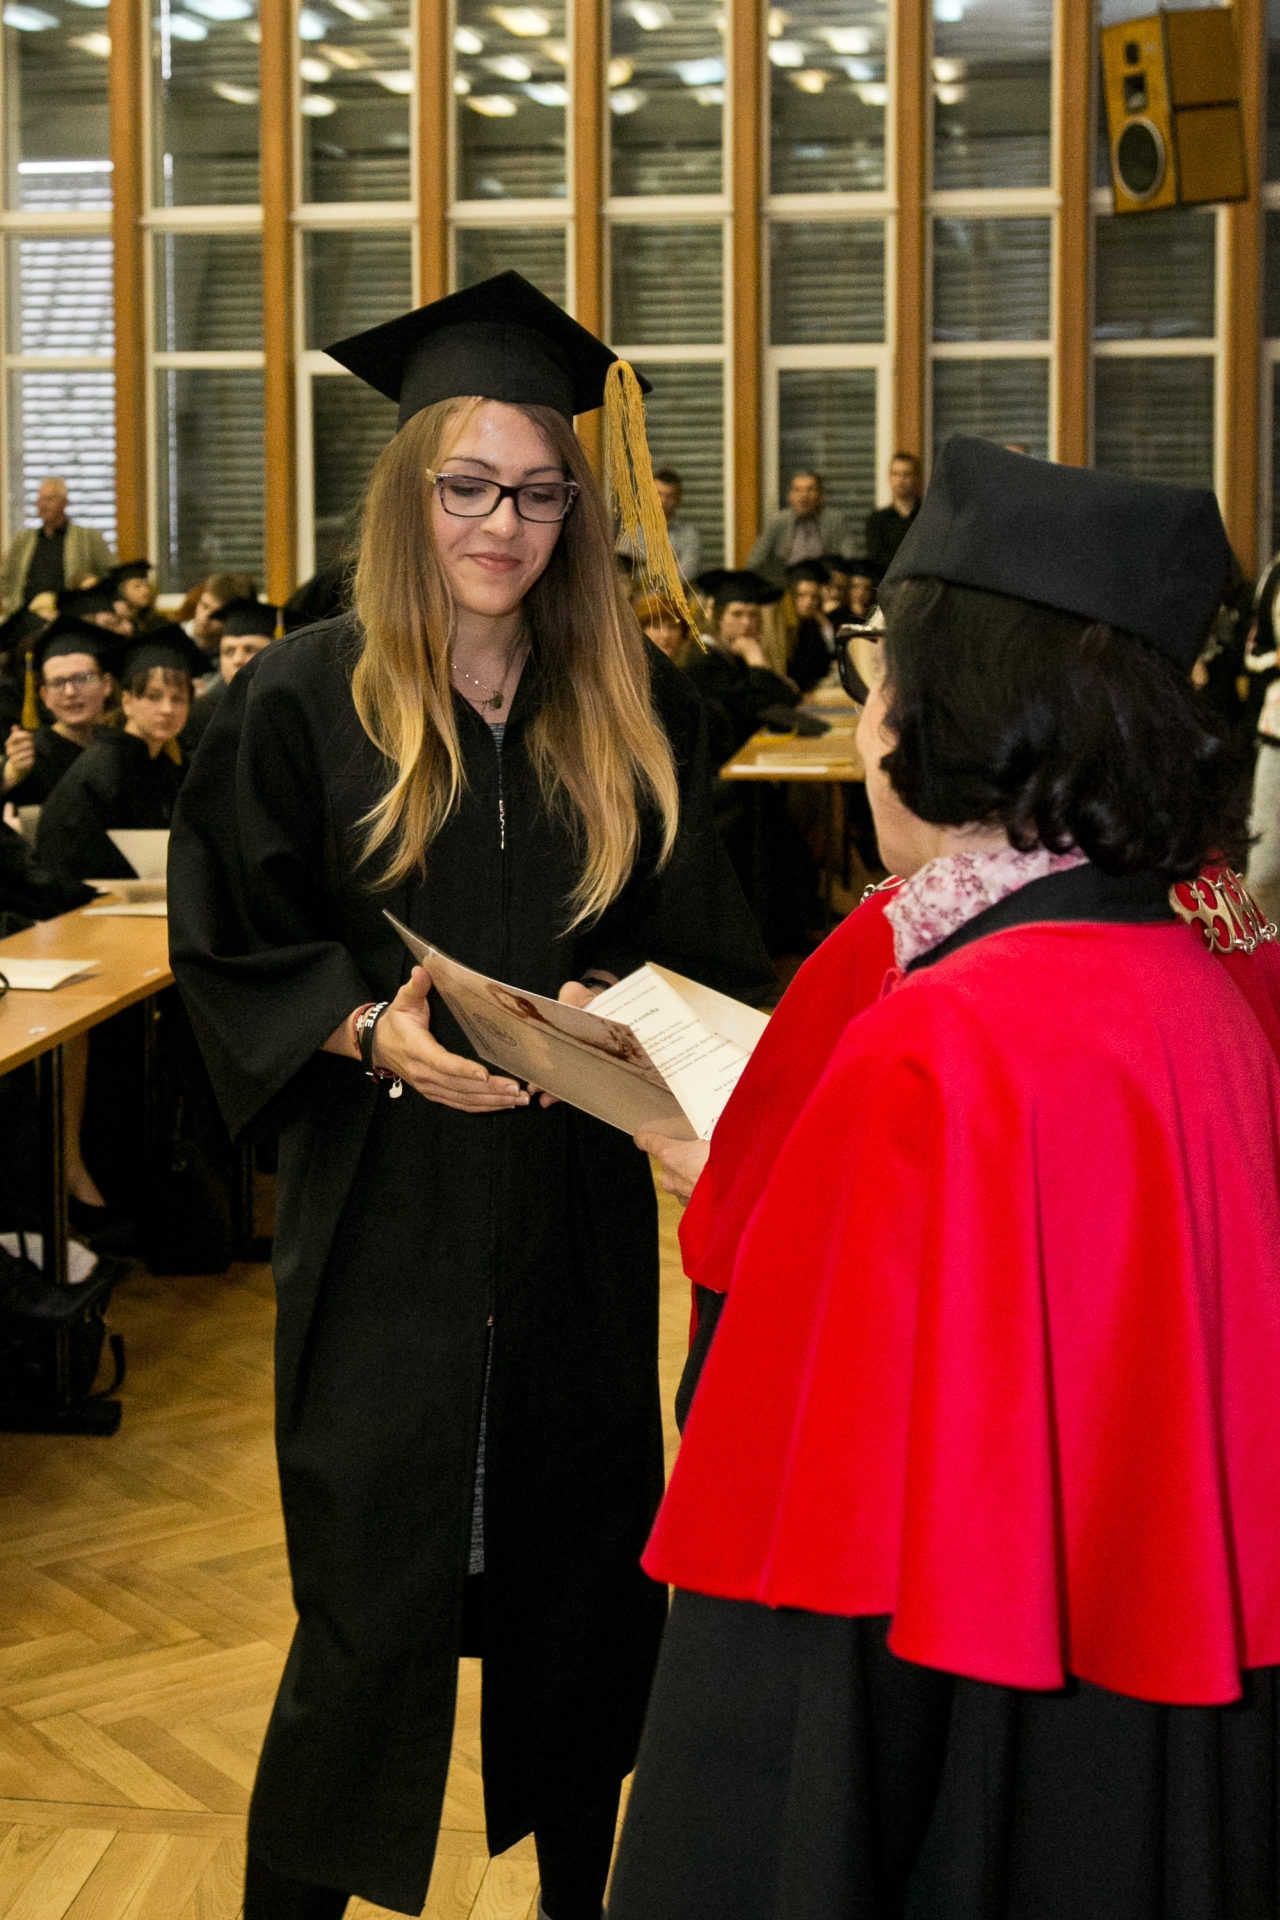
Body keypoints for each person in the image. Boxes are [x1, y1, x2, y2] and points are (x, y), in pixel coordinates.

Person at [165, 269, 773, 1920]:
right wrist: (372, 1031)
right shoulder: (300, 699)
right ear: (409, 492)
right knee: (364, 1622)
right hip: (384, 1224)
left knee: (584, 1608)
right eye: (469, 487)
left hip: (572, 1225)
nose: (503, 525)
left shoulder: (638, 711)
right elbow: (229, 939)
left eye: (539, 492)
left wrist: (620, 1023)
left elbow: (705, 955)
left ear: (577, 511)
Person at [608, 436, 1280, 1920]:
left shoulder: (948, 1037)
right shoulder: (1183, 975)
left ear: (934, 712)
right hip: (1135, 1715)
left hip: (949, 1728)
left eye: (879, 683)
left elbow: (803, 1580)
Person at [36, 627, 200, 889]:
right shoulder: (106, 766)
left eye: (178, 699)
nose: (167, 709)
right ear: (126, 702)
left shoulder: (167, 764)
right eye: (153, 697)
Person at [2, 615, 116, 808]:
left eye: (82, 678)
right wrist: (9, 776)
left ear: (106, 685)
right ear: (45, 696)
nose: (70, 692)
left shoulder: (123, 749)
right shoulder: (30, 757)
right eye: (57, 682)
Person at [0, 477, 115, 615]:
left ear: (65, 503)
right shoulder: (22, 541)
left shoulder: (88, 538)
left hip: (71, 619)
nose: (43, 505)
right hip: (27, 618)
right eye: (40, 499)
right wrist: (12, 607)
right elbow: (5, 579)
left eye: (49, 499)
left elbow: (111, 576)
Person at [182, 599, 277, 755]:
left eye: (250, 649)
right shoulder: (199, 715)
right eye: (229, 651)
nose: (237, 660)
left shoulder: (288, 711)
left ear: (274, 653)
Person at [747, 472, 853, 586]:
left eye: (810, 490)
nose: (803, 496)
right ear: (790, 496)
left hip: (824, 586)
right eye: (797, 490)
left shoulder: (835, 521)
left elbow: (851, 558)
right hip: (786, 585)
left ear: (821, 496)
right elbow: (754, 563)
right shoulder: (777, 521)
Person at [863, 450, 922, 572]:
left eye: (906, 474)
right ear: (889, 478)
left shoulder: (928, 518)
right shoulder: (877, 520)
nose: (901, 480)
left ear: (916, 478)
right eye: (896, 474)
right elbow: (875, 558)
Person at [182, 570, 260, 661]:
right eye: (205, 606)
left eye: (217, 614)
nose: (204, 619)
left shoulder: (241, 658)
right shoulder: (175, 639)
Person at [784, 561, 833, 693]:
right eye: (802, 595)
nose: (809, 602)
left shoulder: (812, 627)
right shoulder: (782, 628)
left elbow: (824, 666)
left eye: (814, 597)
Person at [107, 560, 167, 634]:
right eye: (137, 586)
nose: (145, 591)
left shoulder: (157, 622)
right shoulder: (114, 625)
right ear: (121, 592)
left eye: (146, 585)